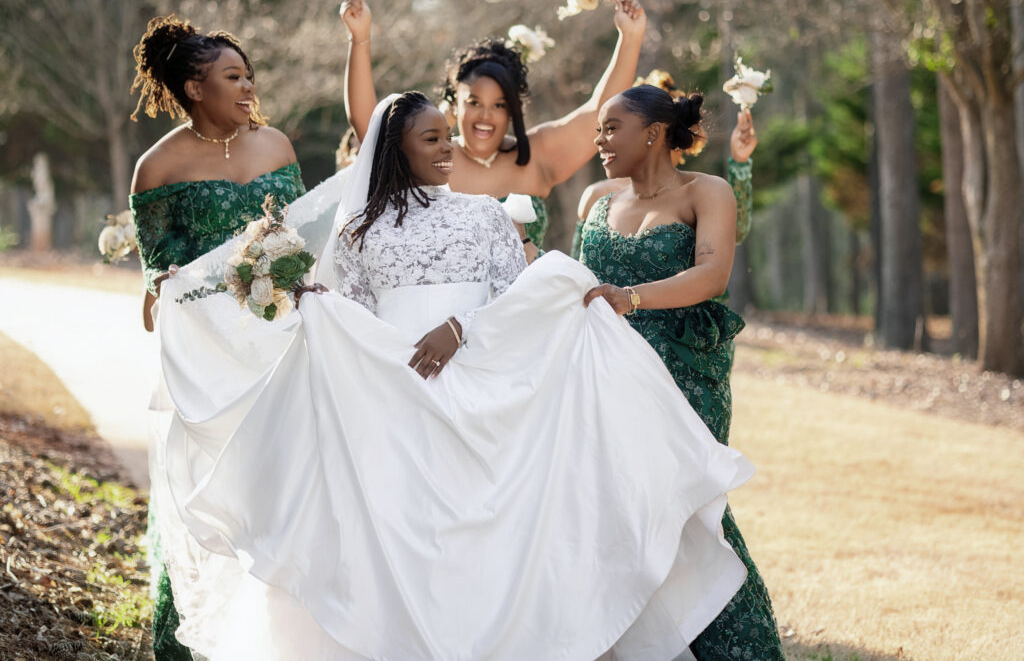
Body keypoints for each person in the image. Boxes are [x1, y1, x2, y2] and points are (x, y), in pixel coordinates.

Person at [154, 91, 760, 661]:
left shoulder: (486, 216)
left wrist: (461, 328)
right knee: (401, 531)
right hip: (395, 394)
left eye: (448, 136)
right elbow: (357, 323)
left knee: (485, 531)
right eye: (431, 138)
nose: (448, 148)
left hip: (477, 388)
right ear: (397, 150)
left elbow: (515, 303)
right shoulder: (356, 232)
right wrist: (318, 305)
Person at [580, 85, 785, 661]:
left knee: (687, 505)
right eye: (598, 129)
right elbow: (578, 286)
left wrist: (632, 297)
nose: (599, 141)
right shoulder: (596, 199)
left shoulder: (708, 192)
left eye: (611, 128)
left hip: (686, 373)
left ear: (652, 132)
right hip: (608, 380)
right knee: (618, 508)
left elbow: (713, 274)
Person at [127, 15, 307, 661]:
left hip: (280, 348)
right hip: (209, 365)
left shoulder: (278, 147)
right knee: (209, 501)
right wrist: (170, 283)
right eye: (233, 77)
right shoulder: (158, 167)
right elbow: (156, 281)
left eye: (249, 75)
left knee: (283, 491)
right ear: (194, 88)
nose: (248, 87)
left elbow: (303, 238)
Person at [341, 0, 646, 258]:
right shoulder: (429, 157)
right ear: (455, 105)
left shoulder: (537, 157)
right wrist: (360, 37)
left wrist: (630, 37)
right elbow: (370, 128)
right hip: (449, 314)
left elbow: (599, 113)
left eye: (499, 105)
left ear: (512, 110)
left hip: (527, 306)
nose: (486, 116)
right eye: (474, 103)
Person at [572, 69, 758, 257]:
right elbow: (576, 269)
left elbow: (736, 232)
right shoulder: (598, 197)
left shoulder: (700, 192)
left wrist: (739, 163)